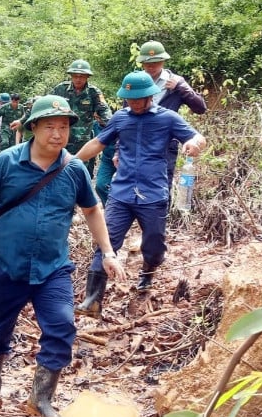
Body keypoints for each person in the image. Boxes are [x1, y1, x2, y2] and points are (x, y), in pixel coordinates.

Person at [0, 96, 123, 417]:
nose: (57, 134)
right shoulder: (6, 163)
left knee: (62, 327)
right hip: (6, 263)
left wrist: (107, 252)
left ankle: (41, 398)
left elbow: (92, 210)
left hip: (53, 268)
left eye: (63, 127)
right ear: (33, 127)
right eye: (50, 126)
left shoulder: (74, 169)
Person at [74, 71, 206, 315]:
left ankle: (147, 275)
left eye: (138, 98)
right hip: (121, 193)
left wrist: (194, 144)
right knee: (107, 242)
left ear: (150, 96)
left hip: (153, 194)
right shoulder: (120, 118)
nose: (133, 103)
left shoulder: (169, 118)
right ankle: (92, 300)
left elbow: (196, 137)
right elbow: (98, 143)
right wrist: (71, 161)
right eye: (129, 98)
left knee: (154, 245)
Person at [136, 41, 206, 185]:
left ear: (163, 61)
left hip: (165, 144)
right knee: (136, 185)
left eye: (156, 62)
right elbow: (125, 114)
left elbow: (200, 108)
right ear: (142, 63)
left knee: (162, 186)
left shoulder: (176, 81)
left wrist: (181, 87)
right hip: (137, 142)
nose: (151, 66)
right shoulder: (136, 81)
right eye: (147, 63)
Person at [51, 59, 112, 176]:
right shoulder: (60, 89)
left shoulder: (93, 92)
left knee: (81, 173)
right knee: (58, 171)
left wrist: (114, 128)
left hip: (83, 142)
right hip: (61, 138)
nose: (78, 79)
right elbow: (44, 105)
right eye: (75, 76)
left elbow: (105, 112)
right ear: (71, 76)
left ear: (87, 77)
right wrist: (23, 120)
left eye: (82, 76)